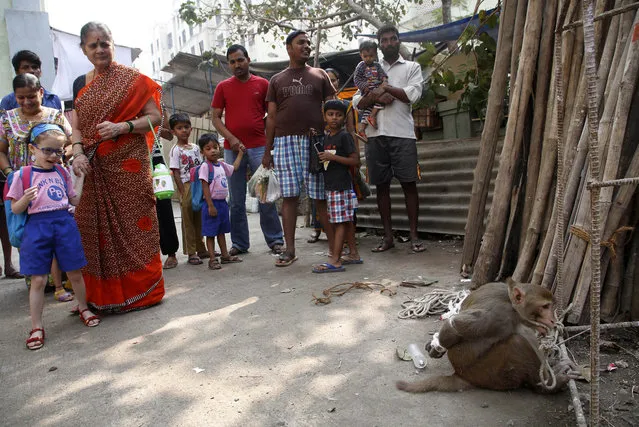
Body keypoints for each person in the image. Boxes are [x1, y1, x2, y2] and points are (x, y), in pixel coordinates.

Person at [71, 21, 165, 313]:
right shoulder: (80, 83)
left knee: (135, 228)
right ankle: (100, 296)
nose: (100, 49)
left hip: (128, 167)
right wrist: (76, 153)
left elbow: (156, 117)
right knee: (93, 231)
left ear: (112, 44)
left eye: (105, 43)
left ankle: (143, 293)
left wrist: (122, 126)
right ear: (84, 49)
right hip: (92, 167)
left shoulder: (133, 80)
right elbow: (76, 127)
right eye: (93, 45)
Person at [7, 123, 99, 350]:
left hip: (64, 223)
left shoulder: (61, 171)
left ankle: (83, 307)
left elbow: (73, 200)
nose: (53, 156)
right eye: (47, 150)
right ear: (32, 149)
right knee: (38, 280)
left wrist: (80, 178)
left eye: (58, 151)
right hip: (37, 227)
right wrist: (25, 199)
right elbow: (16, 209)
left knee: (75, 273)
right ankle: (37, 326)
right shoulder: (22, 175)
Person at [261, 30, 336, 267]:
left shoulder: (320, 74)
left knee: (320, 196)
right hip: (284, 143)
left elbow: (334, 107)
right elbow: (271, 117)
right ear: (289, 48)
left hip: (316, 142)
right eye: (300, 43)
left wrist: (334, 140)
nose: (306, 46)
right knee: (289, 197)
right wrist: (267, 150)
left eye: (308, 43)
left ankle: (335, 250)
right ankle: (290, 250)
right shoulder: (276, 80)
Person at [353, 24, 425, 253]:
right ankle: (388, 238)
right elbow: (356, 101)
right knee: (381, 187)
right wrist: (375, 95)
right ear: (379, 44)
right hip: (375, 136)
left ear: (398, 40)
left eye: (393, 39)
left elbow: (411, 95)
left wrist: (387, 90)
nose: (389, 43)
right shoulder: (367, 66)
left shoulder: (412, 67)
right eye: (384, 40)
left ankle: (414, 237)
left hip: (403, 134)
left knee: (409, 185)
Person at [0, 74, 72, 298]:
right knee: (29, 231)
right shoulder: (6, 119)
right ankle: (39, 280)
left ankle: (63, 281)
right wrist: (11, 174)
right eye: (21, 98)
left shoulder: (55, 115)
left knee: (58, 228)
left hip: (52, 183)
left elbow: (70, 143)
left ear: (41, 92)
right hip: (23, 186)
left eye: (31, 96)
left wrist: (60, 159)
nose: (26, 102)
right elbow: (1, 151)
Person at [212, 44, 284, 256]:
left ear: (248, 59)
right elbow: (215, 117)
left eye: (240, 60)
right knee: (235, 200)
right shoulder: (223, 87)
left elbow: (271, 116)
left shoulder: (263, 84)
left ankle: (275, 240)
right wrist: (232, 139)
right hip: (232, 151)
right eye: (232, 62)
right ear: (229, 64)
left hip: (260, 147)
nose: (237, 65)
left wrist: (268, 148)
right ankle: (240, 244)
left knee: (265, 196)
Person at [312, 100, 361, 273]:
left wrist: (333, 158)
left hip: (340, 185)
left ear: (343, 118)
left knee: (339, 223)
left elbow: (355, 161)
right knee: (345, 221)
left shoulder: (345, 136)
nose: (334, 118)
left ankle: (335, 260)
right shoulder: (327, 137)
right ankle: (353, 254)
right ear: (324, 116)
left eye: (338, 115)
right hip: (331, 185)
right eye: (330, 114)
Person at [198, 134, 244, 270]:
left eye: (215, 147)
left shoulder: (222, 165)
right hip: (211, 204)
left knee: (221, 231)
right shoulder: (205, 167)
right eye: (208, 148)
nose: (213, 150)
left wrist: (240, 154)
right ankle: (212, 259)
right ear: (202, 152)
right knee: (211, 233)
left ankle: (225, 256)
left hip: (223, 204)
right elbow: (204, 186)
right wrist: (210, 205)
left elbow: (234, 168)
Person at [168, 113, 208, 265]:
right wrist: (182, 192)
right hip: (186, 185)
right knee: (188, 220)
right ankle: (191, 252)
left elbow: (202, 166)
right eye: (179, 128)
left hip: (199, 184)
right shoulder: (175, 150)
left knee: (200, 218)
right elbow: (176, 172)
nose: (183, 130)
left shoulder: (196, 148)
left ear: (191, 129)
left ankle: (202, 249)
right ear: (173, 132)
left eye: (186, 127)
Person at [155, 124, 180, 269]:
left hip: (155, 161)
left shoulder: (157, 103)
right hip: (130, 159)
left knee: (163, 206)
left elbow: (169, 134)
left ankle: (171, 253)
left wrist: (150, 125)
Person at [353, 41, 388, 142]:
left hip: (377, 88)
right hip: (367, 91)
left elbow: (382, 75)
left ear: (376, 54)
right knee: (381, 101)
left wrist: (385, 80)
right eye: (365, 56)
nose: (368, 58)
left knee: (368, 110)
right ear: (361, 55)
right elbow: (356, 79)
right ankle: (372, 116)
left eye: (371, 56)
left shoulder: (377, 66)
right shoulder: (360, 66)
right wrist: (364, 87)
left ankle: (362, 129)